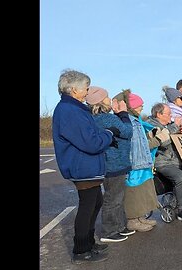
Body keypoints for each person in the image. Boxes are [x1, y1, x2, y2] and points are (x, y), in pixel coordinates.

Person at [52, 70, 114, 264]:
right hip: (82, 166)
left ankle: (89, 242)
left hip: (87, 165)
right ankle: (81, 249)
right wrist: (109, 135)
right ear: (73, 89)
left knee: (95, 203)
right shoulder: (69, 111)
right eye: (85, 88)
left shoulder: (75, 108)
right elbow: (90, 142)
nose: (88, 92)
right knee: (88, 206)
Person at [85, 86, 135, 243]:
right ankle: (109, 231)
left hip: (108, 163)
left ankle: (120, 226)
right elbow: (127, 132)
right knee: (113, 198)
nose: (110, 100)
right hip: (115, 163)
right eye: (107, 97)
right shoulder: (108, 118)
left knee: (116, 197)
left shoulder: (93, 118)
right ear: (100, 102)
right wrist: (123, 113)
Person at [113, 90, 160, 231]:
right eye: (140, 105)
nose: (142, 108)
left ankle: (140, 216)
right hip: (134, 162)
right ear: (132, 107)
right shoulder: (129, 121)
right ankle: (132, 220)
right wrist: (156, 140)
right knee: (133, 191)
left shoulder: (137, 120)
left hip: (141, 161)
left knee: (141, 191)